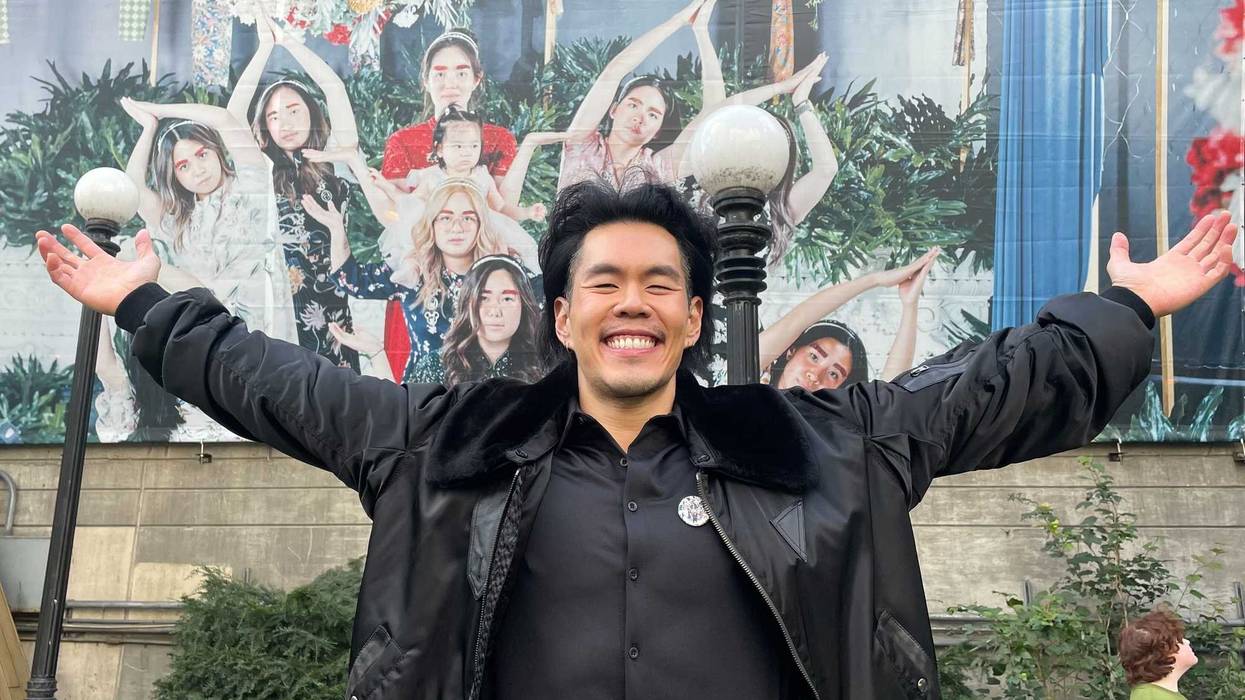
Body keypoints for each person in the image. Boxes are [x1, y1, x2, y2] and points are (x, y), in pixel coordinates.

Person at [34, 180, 1236, 698]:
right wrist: (145, 307)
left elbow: (1000, 389)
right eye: (604, 279)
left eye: (661, 282)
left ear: (694, 317)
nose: (632, 301)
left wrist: (1125, 311)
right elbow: (273, 381)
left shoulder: (819, 444)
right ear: (562, 315)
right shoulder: (442, 443)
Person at [559, 0, 823, 193]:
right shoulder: (582, 144)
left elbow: (715, 116)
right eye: (633, 105)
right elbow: (615, 71)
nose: (640, 117)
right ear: (614, 109)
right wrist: (679, 20)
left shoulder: (657, 168)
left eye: (653, 114)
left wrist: (781, 88)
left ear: (658, 128)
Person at [227, 13, 362, 370]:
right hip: (276, 309)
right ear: (265, 127)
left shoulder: (336, 159)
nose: (284, 122)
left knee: (335, 409)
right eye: (273, 116)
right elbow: (232, 114)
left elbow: (334, 87)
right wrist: (264, 50)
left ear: (311, 113)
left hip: (332, 310)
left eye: (293, 110)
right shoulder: (260, 170)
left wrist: (289, 43)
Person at [117, 98, 293, 340]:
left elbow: (224, 119)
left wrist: (162, 111)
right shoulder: (177, 220)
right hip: (207, 334)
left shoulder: (251, 188)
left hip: (260, 328)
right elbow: (133, 187)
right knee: (128, 253)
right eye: (184, 166)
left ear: (217, 151)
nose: (198, 170)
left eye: (202, 154)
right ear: (174, 175)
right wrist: (149, 128)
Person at [320, 178, 509, 382]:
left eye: (468, 218)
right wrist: (336, 230)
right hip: (423, 400)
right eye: (445, 218)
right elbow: (350, 280)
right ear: (432, 225)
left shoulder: (504, 278)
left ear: (480, 225)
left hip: (485, 400)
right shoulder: (412, 275)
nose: (457, 227)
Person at [762, 249, 939, 390]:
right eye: (814, 357)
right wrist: (874, 280)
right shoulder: (747, 374)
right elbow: (796, 321)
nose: (815, 375)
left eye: (834, 374)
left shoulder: (829, 429)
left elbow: (889, 396)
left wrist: (910, 304)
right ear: (791, 351)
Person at [380, 28, 518, 194]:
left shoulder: (500, 140)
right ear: (426, 81)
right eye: (440, 74)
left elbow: (503, 209)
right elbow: (395, 211)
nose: (450, 84)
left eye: (461, 74)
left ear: (476, 80)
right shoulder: (401, 142)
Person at [408, 254, 544, 384]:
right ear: (467, 304)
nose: (495, 311)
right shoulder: (433, 365)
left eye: (507, 299)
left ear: (524, 305)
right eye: (483, 298)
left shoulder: (546, 366)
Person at [1119, 609, 1199, 699]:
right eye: (1179, 640)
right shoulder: (1154, 696)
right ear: (1164, 651)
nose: (1187, 642)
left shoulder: (1148, 692)